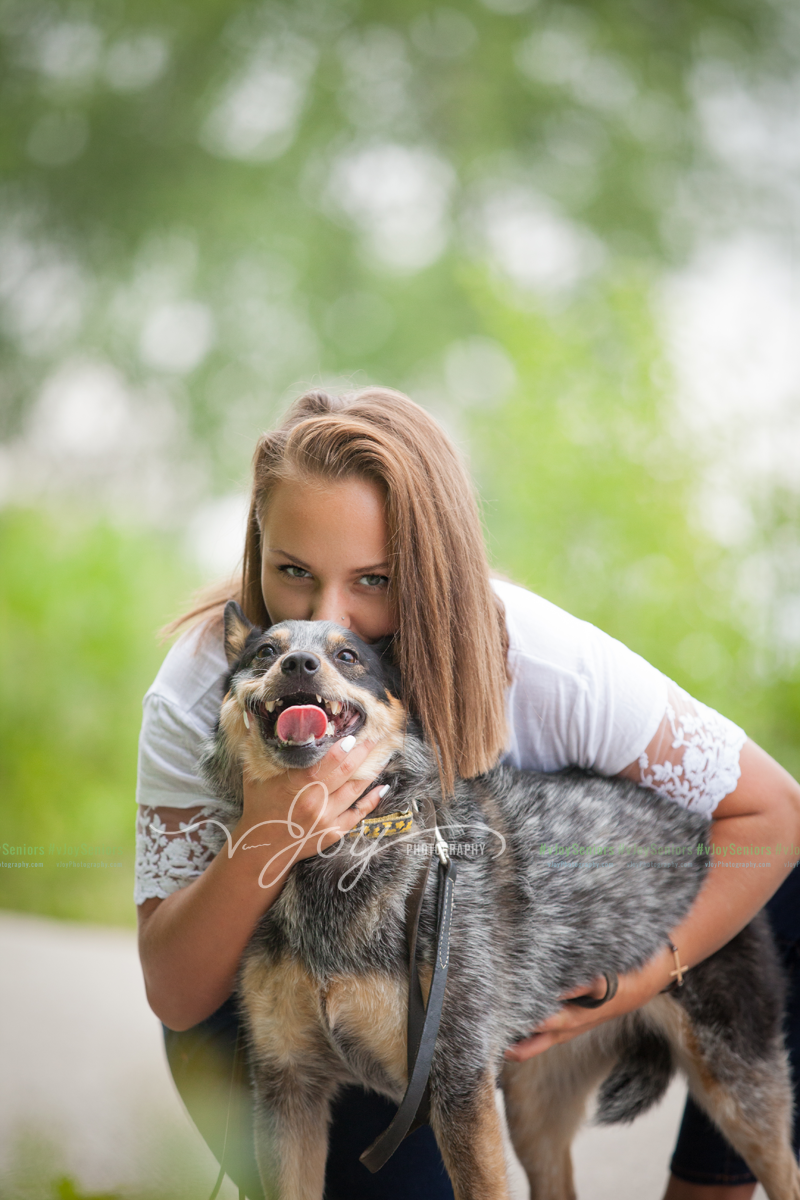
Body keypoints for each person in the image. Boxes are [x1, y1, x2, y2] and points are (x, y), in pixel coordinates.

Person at [135, 387, 800, 1200]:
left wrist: (640, 980)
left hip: (506, 949)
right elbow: (175, 991)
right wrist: (268, 833)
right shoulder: (208, 687)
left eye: (374, 579)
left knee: (785, 883)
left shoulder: (547, 662)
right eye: (294, 573)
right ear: (259, 554)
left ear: (430, 568)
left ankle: (712, 1188)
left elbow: (774, 812)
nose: (324, 622)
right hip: (253, 1001)